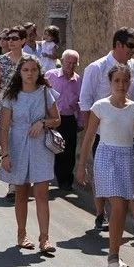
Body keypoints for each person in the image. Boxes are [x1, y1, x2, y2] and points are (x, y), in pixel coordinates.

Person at [77, 64, 134, 267]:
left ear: (129, 83)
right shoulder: (100, 106)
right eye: (117, 81)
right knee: (119, 206)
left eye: (125, 81)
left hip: (127, 158)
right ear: (110, 83)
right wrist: (81, 166)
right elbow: (88, 138)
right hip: (106, 157)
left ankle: (115, 254)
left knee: (122, 210)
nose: (121, 85)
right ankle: (113, 256)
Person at [78, 27, 134, 237]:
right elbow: (86, 102)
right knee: (104, 173)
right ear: (118, 45)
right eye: (131, 45)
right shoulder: (96, 68)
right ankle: (100, 213)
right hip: (101, 129)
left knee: (132, 174)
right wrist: (92, 132)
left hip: (128, 128)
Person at [0, 55, 60, 254]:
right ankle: (21, 234)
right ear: (19, 72)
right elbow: (4, 126)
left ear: (38, 72)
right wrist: (5, 154)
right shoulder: (11, 95)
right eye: (26, 70)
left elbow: (57, 119)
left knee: (42, 193)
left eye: (34, 70)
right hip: (18, 144)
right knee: (21, 193)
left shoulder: (45, 92)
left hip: (41, 146)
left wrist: (42, 123)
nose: (30, 73)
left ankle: (45, 238)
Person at [0, 25, 27, 200]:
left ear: (23, 41)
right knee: (12, 143)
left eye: (14, 39)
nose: (10, 42)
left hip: (27, 107)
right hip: (7, 108)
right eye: (8, 39)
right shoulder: (1, 60)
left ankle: (24, 180)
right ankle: (13, 185)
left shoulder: (30, 61)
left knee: (25, 143)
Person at [44, 50, 82, 191]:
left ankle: (65, 181)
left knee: (68, 151)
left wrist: (80, 122)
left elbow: (80, 103)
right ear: (62, 61)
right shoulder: (50, 75)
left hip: (68, 118)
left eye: (74, 63)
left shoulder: (78, 80)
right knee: (49, 148)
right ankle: (45, 177)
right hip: (51, 118)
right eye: (68, 62)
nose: (70, 66)